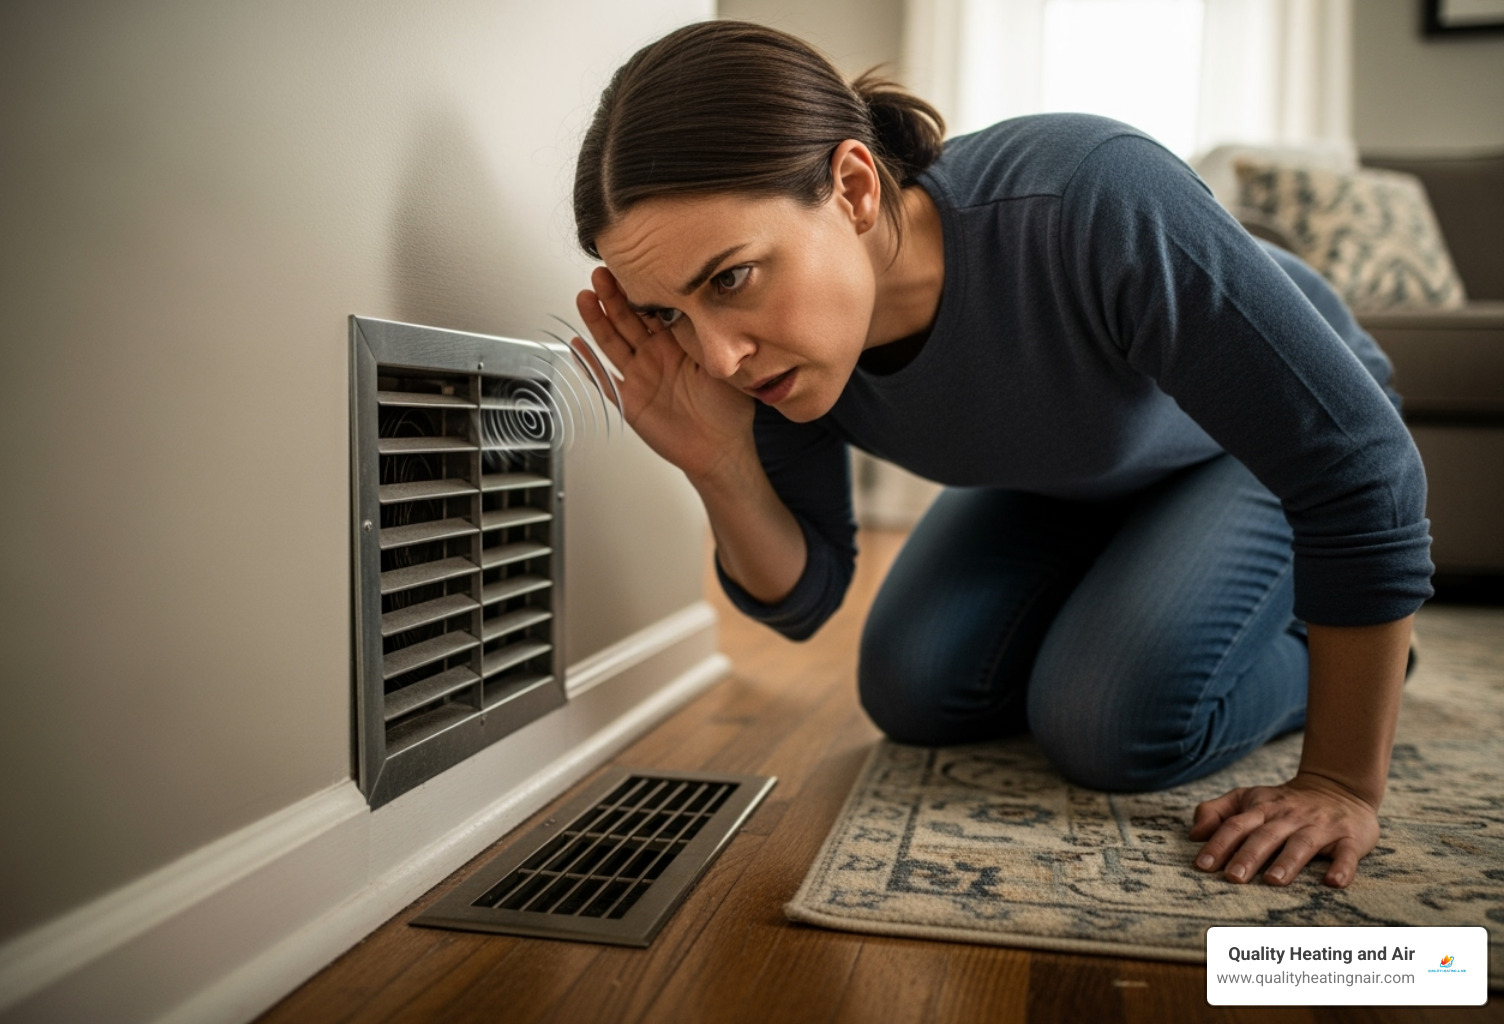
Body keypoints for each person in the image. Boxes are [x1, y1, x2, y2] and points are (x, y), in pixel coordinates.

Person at [568, 21, 1433, 889]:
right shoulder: (780, 361)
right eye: (670, 314)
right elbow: (806, 597)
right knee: (914, 688)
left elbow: (1360, 464)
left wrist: (1340, 782)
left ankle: (1362, 651)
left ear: (854, 188)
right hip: (1069, 474)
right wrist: (718, 461)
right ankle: (1144, 598)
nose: (718, 356)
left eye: (730, 278)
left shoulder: (1088, 194)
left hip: (1241, 453)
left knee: (1108, 724)